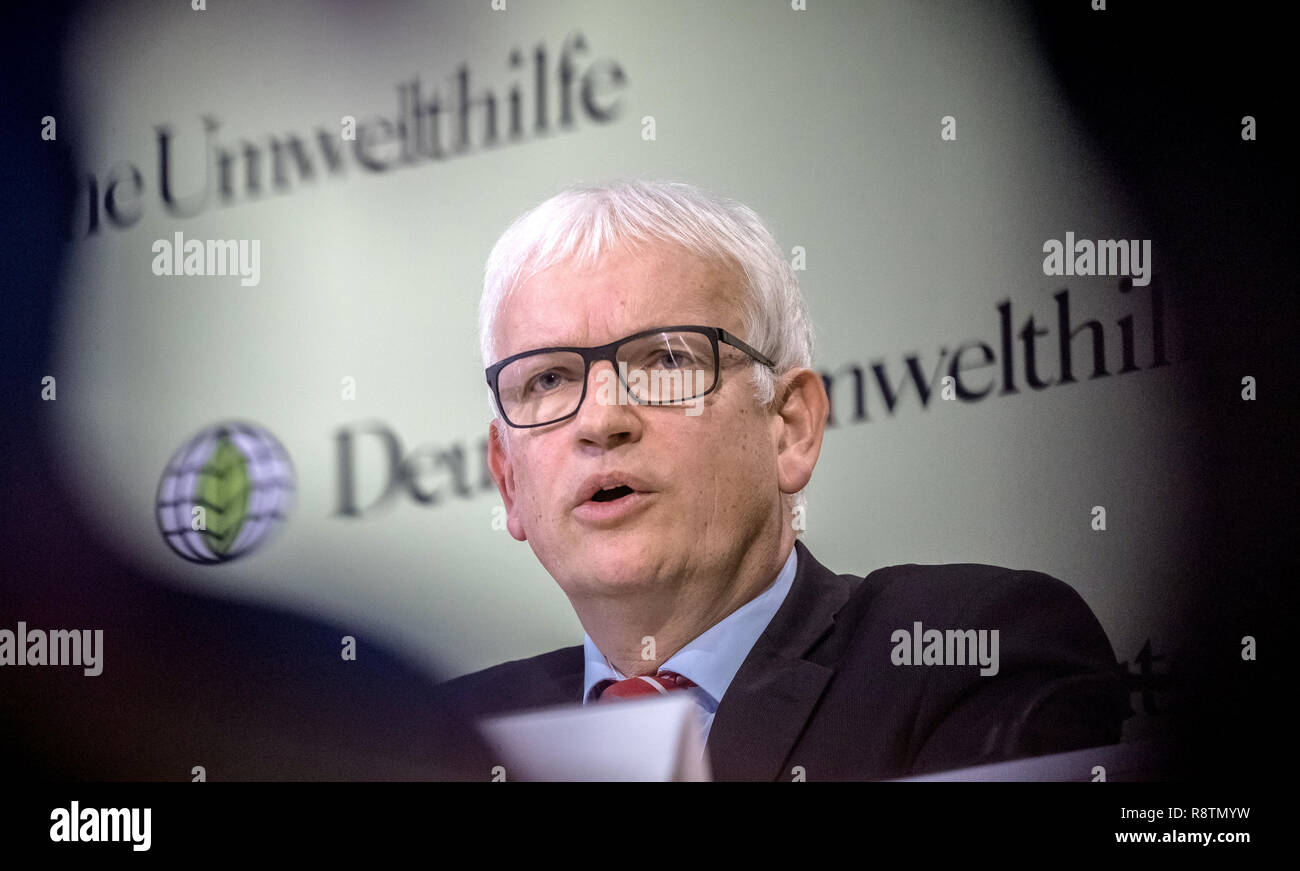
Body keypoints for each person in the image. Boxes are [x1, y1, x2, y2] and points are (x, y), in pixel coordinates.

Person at [434, 179, 1129, 781]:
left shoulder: (968, 651)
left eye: (668, 359)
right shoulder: (440, 736)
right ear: (507, 480)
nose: (602, 419)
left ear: (790, 426)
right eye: (549, 378)